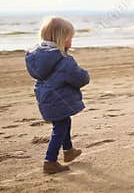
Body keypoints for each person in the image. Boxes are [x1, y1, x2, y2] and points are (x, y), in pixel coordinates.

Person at [25, 17, 90, 174]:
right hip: (59, 100)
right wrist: (85, 75)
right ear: (62, 39)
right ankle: (50, 161)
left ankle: (68, 151)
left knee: (63, 123)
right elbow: (79, 78)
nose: (71, 42)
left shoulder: (36, 57)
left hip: (45, 99)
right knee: (60, 128)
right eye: (70, 38)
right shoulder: (64, 60)